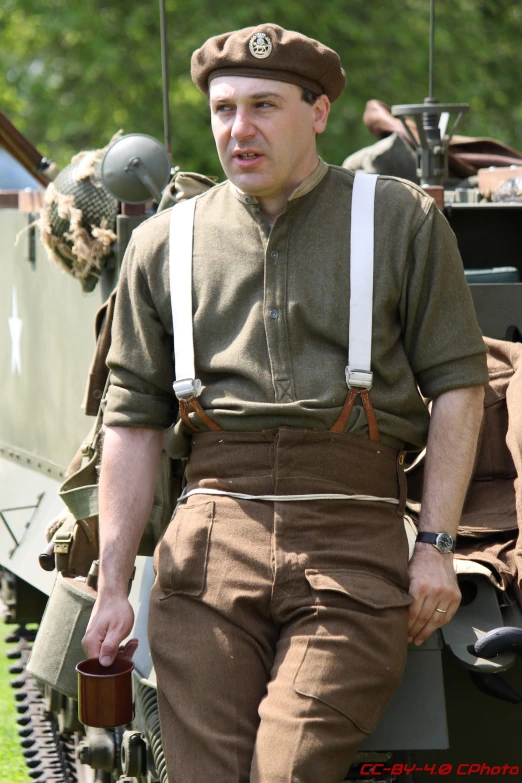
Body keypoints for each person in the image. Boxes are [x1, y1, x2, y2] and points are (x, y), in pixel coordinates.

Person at [83, 23, 488, 783]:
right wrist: (110, 587)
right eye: (224, 109)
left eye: (264, 106)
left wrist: (435, 544)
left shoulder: (401, 219)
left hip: (351, 540)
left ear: (320, 111)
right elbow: (132, 421)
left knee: (288, 770)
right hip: (206, 546)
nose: (239, 130)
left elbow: (461, 387)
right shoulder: (164, 243)